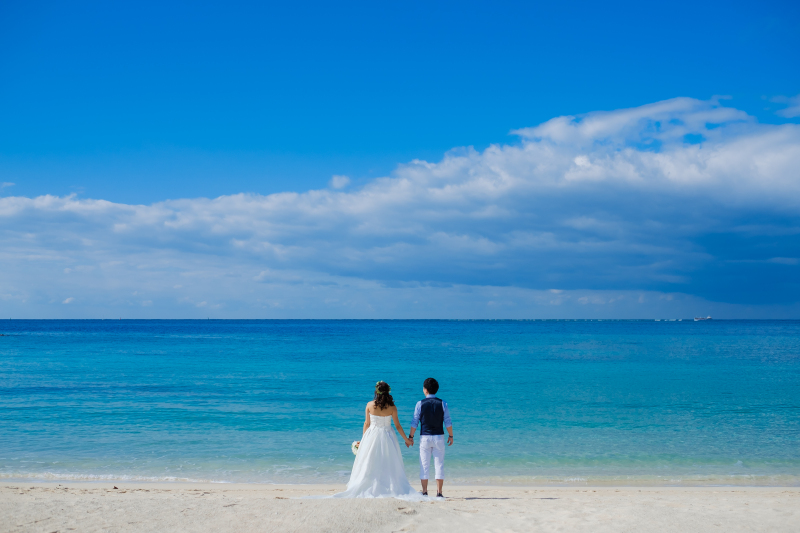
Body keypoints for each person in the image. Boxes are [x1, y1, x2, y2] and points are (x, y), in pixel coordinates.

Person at [333, 381, 422, 499]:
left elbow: (366, 423)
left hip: (372, 435)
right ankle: (387, 485)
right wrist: (407, 440)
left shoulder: (369, 405)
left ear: (376, 392)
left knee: (370, 461)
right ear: (388, 392)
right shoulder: (392, 407)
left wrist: (363, 440)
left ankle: (371, 484)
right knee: (388, 462)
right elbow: (398, 426)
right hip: (387, 436)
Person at [408, 377, 453, 498]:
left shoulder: (420, 404)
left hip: (425, 437)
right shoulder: (443, 403)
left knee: (424, 464)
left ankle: (424, 492)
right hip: (439, 436)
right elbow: (448, 422)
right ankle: (439, 492)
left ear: (426, 390)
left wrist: (411, 436)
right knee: (439, 464)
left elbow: (414, 422)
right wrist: (451, 435)